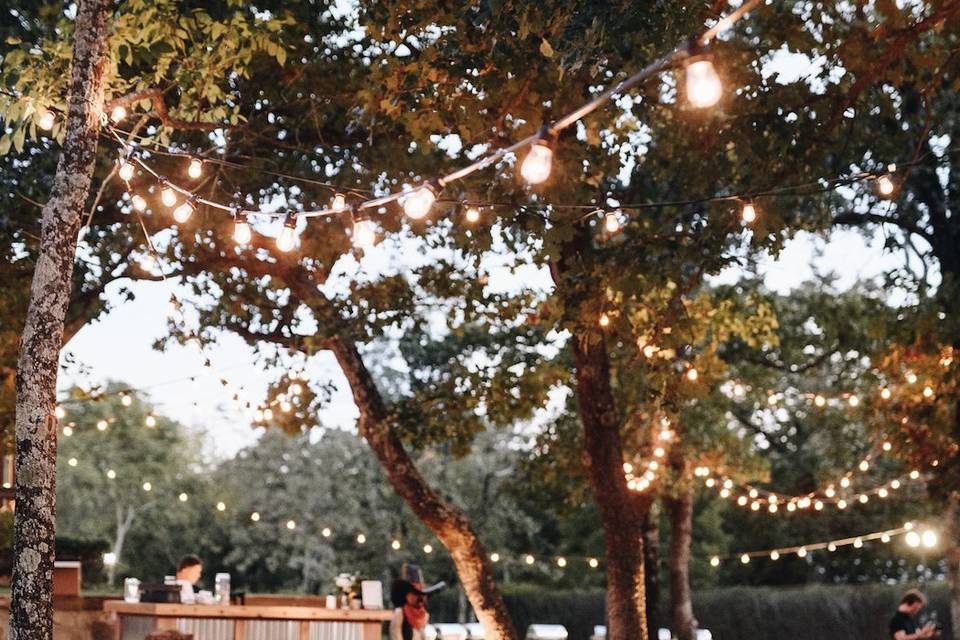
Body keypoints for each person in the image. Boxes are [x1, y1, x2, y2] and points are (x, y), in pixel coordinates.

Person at [389, 564, 445, 640]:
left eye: (418, 594)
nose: (416, 597)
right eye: (413, 593)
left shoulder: (422, 615)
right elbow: (396, 635)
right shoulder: (400, 612)